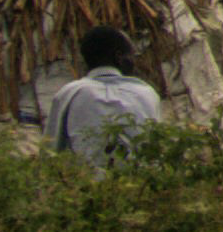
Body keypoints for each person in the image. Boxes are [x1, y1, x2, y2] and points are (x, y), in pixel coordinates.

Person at [45, 25, 163, 170]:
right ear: (119, 56)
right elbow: (155, 154)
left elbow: (50, 151)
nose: (133, 62)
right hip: (138, 187)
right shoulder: (145, 93)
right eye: (131, 56)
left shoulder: (70, 93)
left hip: (83, 187)